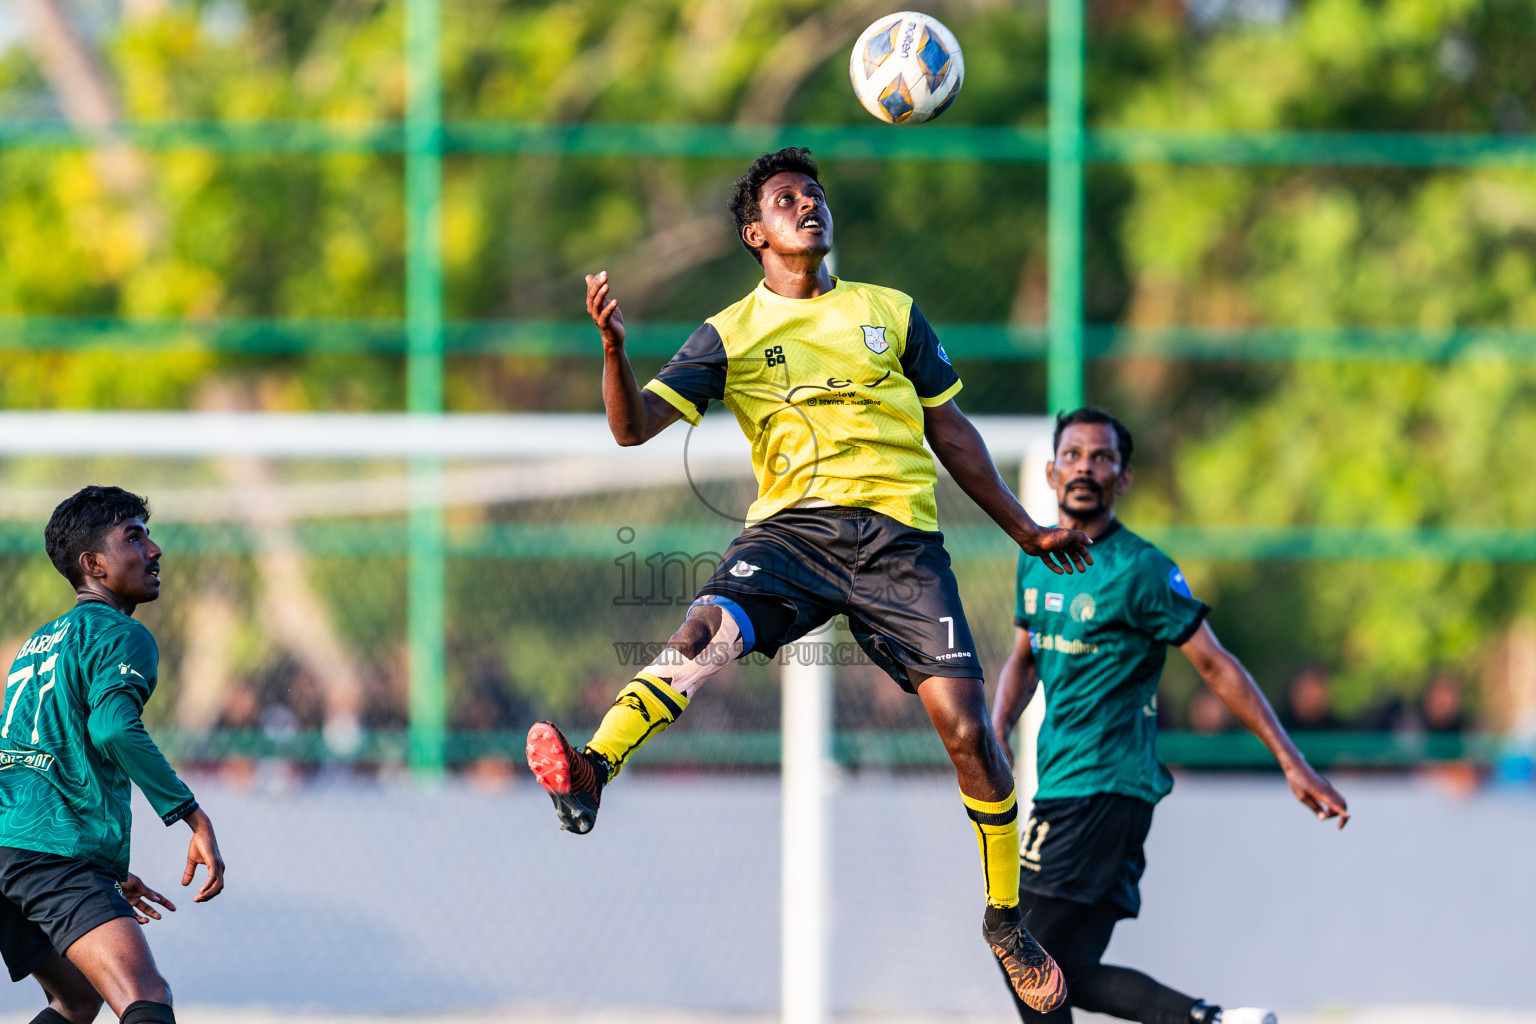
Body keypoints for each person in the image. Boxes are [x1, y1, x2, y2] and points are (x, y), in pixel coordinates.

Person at [524, 147, 1093, 1012]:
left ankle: (1005, 922)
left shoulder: (890, 313)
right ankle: (593, 769)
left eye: (815, 194)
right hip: (792, 535)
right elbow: (633, 429)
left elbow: (953, 432)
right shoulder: (730, 332)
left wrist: (1024, 527)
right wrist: (612, 347)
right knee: (701, 636)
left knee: (972, 735)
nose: (808, 205)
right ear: (756, 233)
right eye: (787, 198)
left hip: (901, 545)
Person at [991, 409, 1349, 1024]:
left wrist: (1293, 762)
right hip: (1074, 787)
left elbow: (1216, 665)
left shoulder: (1143, 570)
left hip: (1100, 787)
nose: (1085, 467)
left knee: (1021, 946)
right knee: (1067, 971)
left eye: (1101, 457)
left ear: (1123, 479)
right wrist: (993, 734)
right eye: (1073, 455)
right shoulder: (1036, 556)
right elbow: (1025, 658)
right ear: (1050, 472)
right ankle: (1211, 1021)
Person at [0, 486, 225, 1024]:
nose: (154, 550)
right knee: (146, 995)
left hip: (13, 848)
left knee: (78, 1000)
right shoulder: (120, 635)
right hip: (48, 853)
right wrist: (193, 816)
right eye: (134, 537)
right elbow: (114, 729)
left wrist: (103, 869)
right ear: (94, 564)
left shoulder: (40, 641)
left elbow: (42, 757)